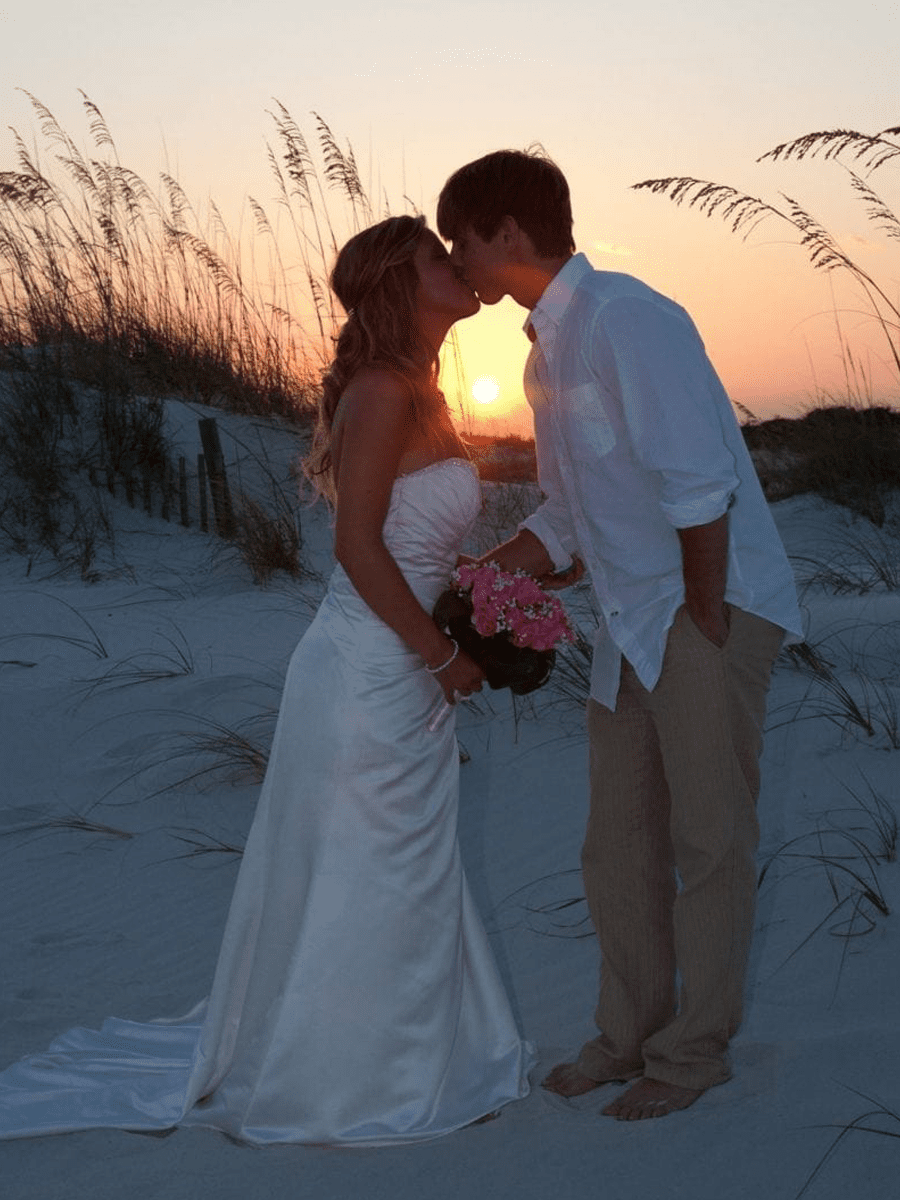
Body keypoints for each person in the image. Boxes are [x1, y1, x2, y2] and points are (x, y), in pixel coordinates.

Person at [0, 214, 534, 1145]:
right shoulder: (379, 391)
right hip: (370, 667)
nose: (456, 265)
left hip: (397, 658)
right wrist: (445, 656)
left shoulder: (422, 389)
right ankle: (351, 1077)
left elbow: (416, 543)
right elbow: (357, 548)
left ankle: (406, 1050)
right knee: (379, 862)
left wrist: (490, 600)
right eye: (434, 258)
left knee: (400, 861)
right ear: (398, 287)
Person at [437, 151, 803, 1121]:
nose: (457, 260)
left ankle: (690, 1058)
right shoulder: (543, 351)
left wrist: (707, 616)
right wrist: (491, 572)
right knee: (618, 847)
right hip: (634, 620)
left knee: (710, 840)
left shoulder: (629, 317)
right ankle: (627, 1038)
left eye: (461, 239)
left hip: (700, 608)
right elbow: (570, 508)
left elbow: (697, 480)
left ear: (507, 232)